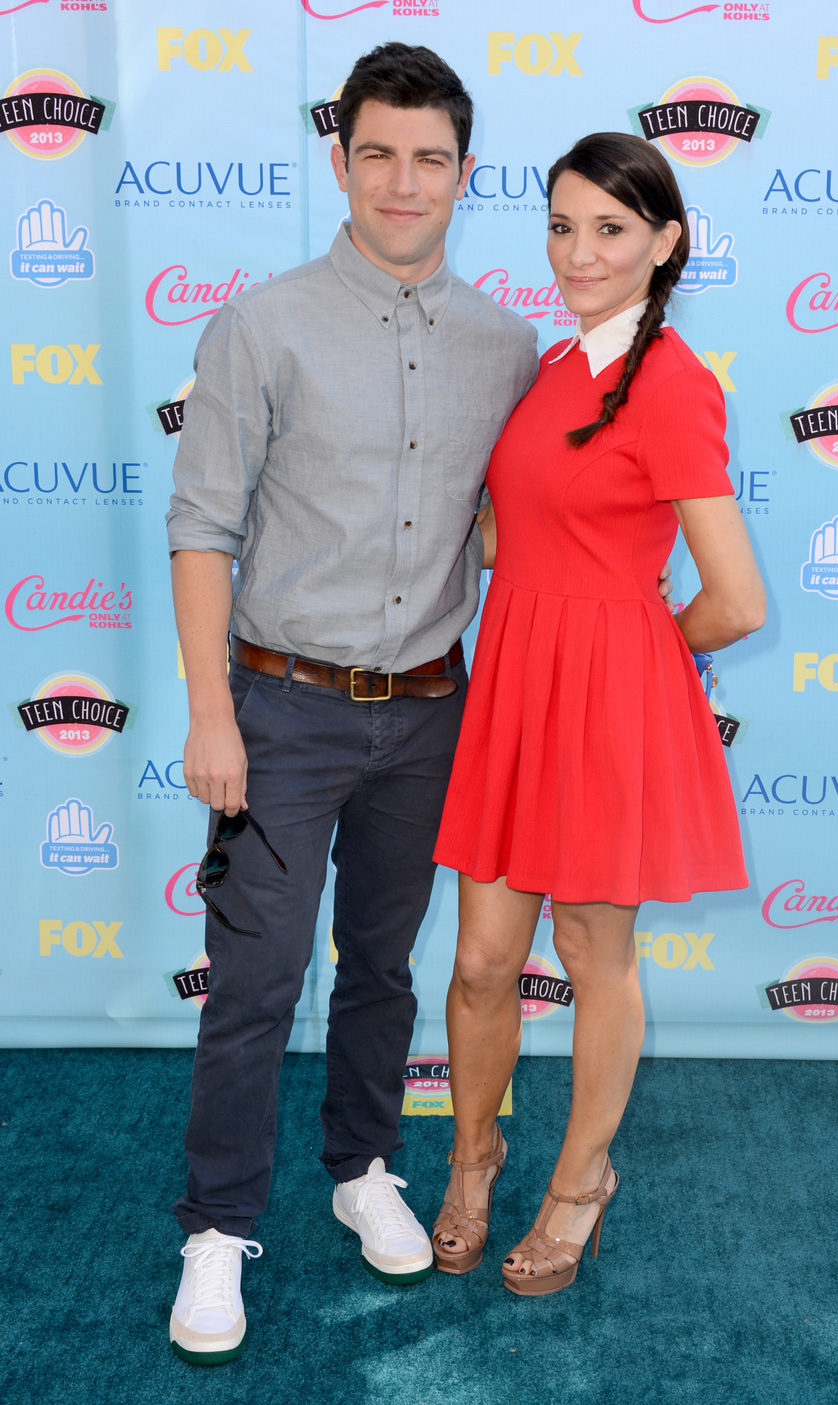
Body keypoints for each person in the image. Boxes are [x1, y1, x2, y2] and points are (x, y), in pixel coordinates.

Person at [164, 43, 539, 1364]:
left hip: (432, 712)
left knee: (381, 965)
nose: (402, 181)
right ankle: (218, 1226)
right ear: (339, 160)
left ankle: (362, 1165)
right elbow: (202, 527)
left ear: (464, 174)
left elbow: (508, 524)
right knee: (255, 978)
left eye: (429, 158)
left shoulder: (507, 345)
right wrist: (210, 714)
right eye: (377, 152)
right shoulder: (260, 325)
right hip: (281, 710)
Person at [430, 132, 766, 1296]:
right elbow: (513, 529)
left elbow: (735, 599)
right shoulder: (549, 366)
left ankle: (579, 1180)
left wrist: (636, 658)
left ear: (665, 243)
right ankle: (473, 1157)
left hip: (601, 703)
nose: (578, 253)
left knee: (587, 951)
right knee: (482, 960)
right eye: (561, 227)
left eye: (609, 230)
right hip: (513, 686)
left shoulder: (671, 385)